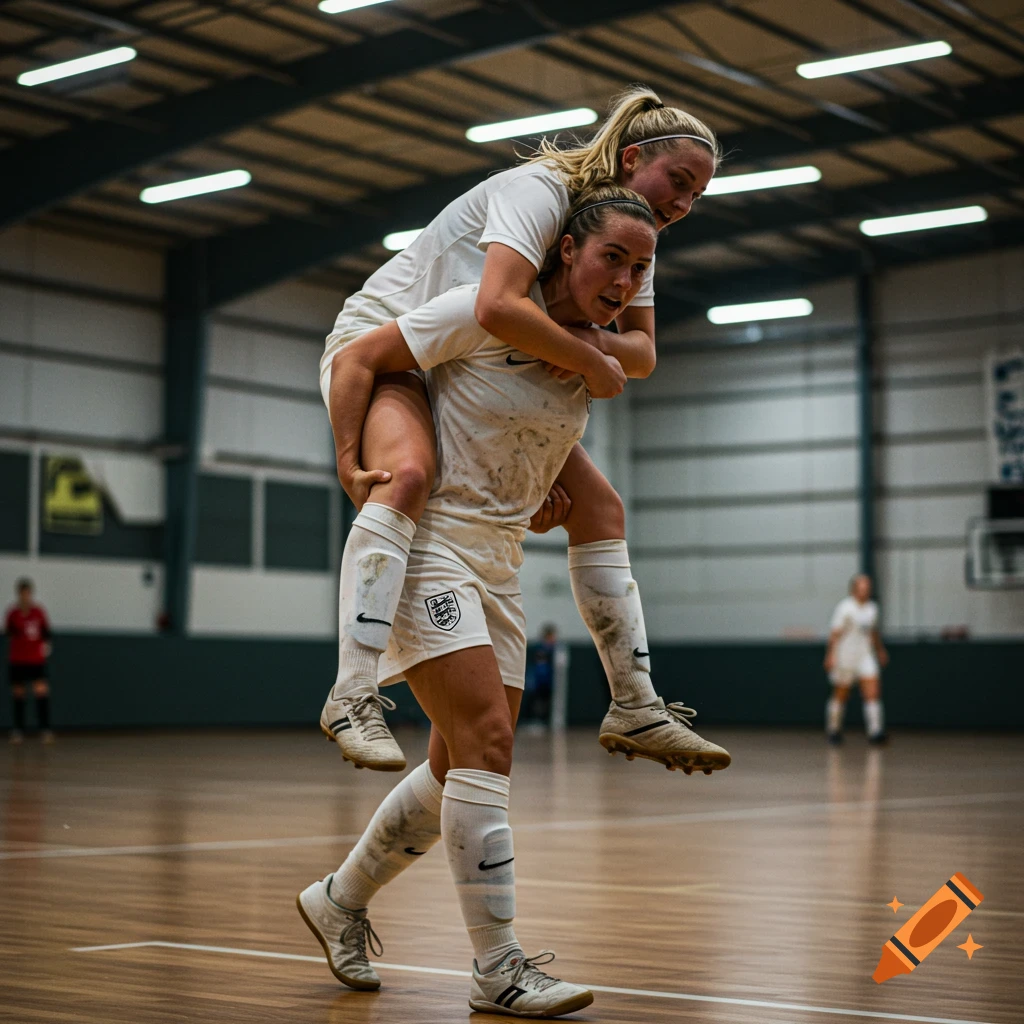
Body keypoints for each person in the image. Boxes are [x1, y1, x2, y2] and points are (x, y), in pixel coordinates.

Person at [301, 187, 727, 1018]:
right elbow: (359, 360)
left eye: (641, 267)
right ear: (565, 250)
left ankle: (338, 899)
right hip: (432, 548)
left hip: (497, 562)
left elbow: (538, 456)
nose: (625, 279)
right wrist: (354, 466)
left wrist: (539, 489)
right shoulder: (482, 310)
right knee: (488, 744)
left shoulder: (593, 350)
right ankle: (497, 967)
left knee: (455, 761)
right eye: (612, 258)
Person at [319, 85, 729, 775]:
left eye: (698, 196)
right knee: (408, 475)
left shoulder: (628, 239)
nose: (685, 204)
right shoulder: (541, 190)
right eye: (679, 182)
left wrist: (530, 460)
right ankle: (351, 691)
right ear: (631, 159)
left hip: (477, 362)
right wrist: (592, 360)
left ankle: (635, 701)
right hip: (396, 344)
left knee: (601, 507)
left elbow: (644, 353)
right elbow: (498, 305)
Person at [823, 574, 889, 745]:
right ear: (853, 590)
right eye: (861, 588)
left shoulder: (872, 609)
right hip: (845, 658)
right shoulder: (845, 608)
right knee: (841, 694)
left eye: (867, 588)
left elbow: (873, 632)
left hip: (865, 656)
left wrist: (880, 650)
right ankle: (833, 729)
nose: (864, 591)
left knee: (872, 693)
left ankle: (875, 731)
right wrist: (830, 655)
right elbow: (835, 634)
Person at [5, 579, 53, 744]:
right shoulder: (13, 613)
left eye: (28, 593)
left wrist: (45, 647)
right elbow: (9, 632)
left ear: (31, 594)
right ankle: (18, 730)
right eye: (22, 593)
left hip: (35, 660)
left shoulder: (38, 612)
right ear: (19, 594)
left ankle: (45, 730)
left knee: (41, 692)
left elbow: (46, 632)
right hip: (18, 659)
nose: (25, 596)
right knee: (19, 694)